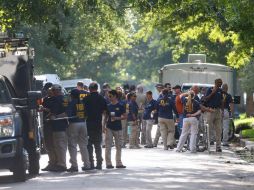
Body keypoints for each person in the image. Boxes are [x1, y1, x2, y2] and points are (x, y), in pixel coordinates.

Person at [83, 82, 107, 169]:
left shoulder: (86, 99)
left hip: (88, 124)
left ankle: (91, 163)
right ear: (97, 88)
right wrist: (103, 124)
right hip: (98, 124)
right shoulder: (101, 98)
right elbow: (105, 112)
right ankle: (99, 164)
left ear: (89, 89)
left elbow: (83, 113)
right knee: (98, 145)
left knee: (89, 145)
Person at [66, 89, 91, 172]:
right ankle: (87, 164)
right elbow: (87, 113)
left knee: (72, 145)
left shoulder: (71, 102)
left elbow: (68, 114)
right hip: (83, 123)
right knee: (83, 145)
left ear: (72, 95)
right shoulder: (83, 102)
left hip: (74, 124)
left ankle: (74, 165)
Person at [103, 90, 127, 169]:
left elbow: (125, 116)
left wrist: (118, 118)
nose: (109, 98)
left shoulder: (121, 105)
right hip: (109, 127)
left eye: (110, 96)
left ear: (115, 96)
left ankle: (119, 163)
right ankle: (108, 163)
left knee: (119, 146)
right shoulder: (108, 106)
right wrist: (103, 126)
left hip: (118, 128)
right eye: (108, 96)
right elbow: (105, 117)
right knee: (108, 146)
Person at [48, 84, 69, 172]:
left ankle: (62, 164)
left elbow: (54, 112)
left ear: (56, 90)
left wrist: (54, 116)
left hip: (58, 126)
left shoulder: (56, 100)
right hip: (63, 125)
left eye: (53, 90)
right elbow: (67, 111)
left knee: (60, 146)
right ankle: (61, 163)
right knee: (60, 146)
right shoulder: (65, 98)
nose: (51, 92)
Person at [203, 78, 224, 152]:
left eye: (221, 82)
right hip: (210, 110)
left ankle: (218, 146)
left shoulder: (220, 91)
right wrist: (212, 93)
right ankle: (206, 145)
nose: (220, 83)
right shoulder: (210, 89)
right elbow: (205, 99)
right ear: (215, 83)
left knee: (219, 129)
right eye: (219, 82)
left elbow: (221, 101)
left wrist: (222, 111)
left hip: (218, 111)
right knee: (208, 128)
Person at [41, 83, 57, 171]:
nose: (48, 91)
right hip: (46, 124)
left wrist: (44, 109)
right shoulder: (46, 99)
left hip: (52, 124)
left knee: (52, 144)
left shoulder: (55, 99)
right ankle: (52, 162)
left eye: (50, 90)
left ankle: (54, 163)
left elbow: (53, 110)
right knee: (48, 145)